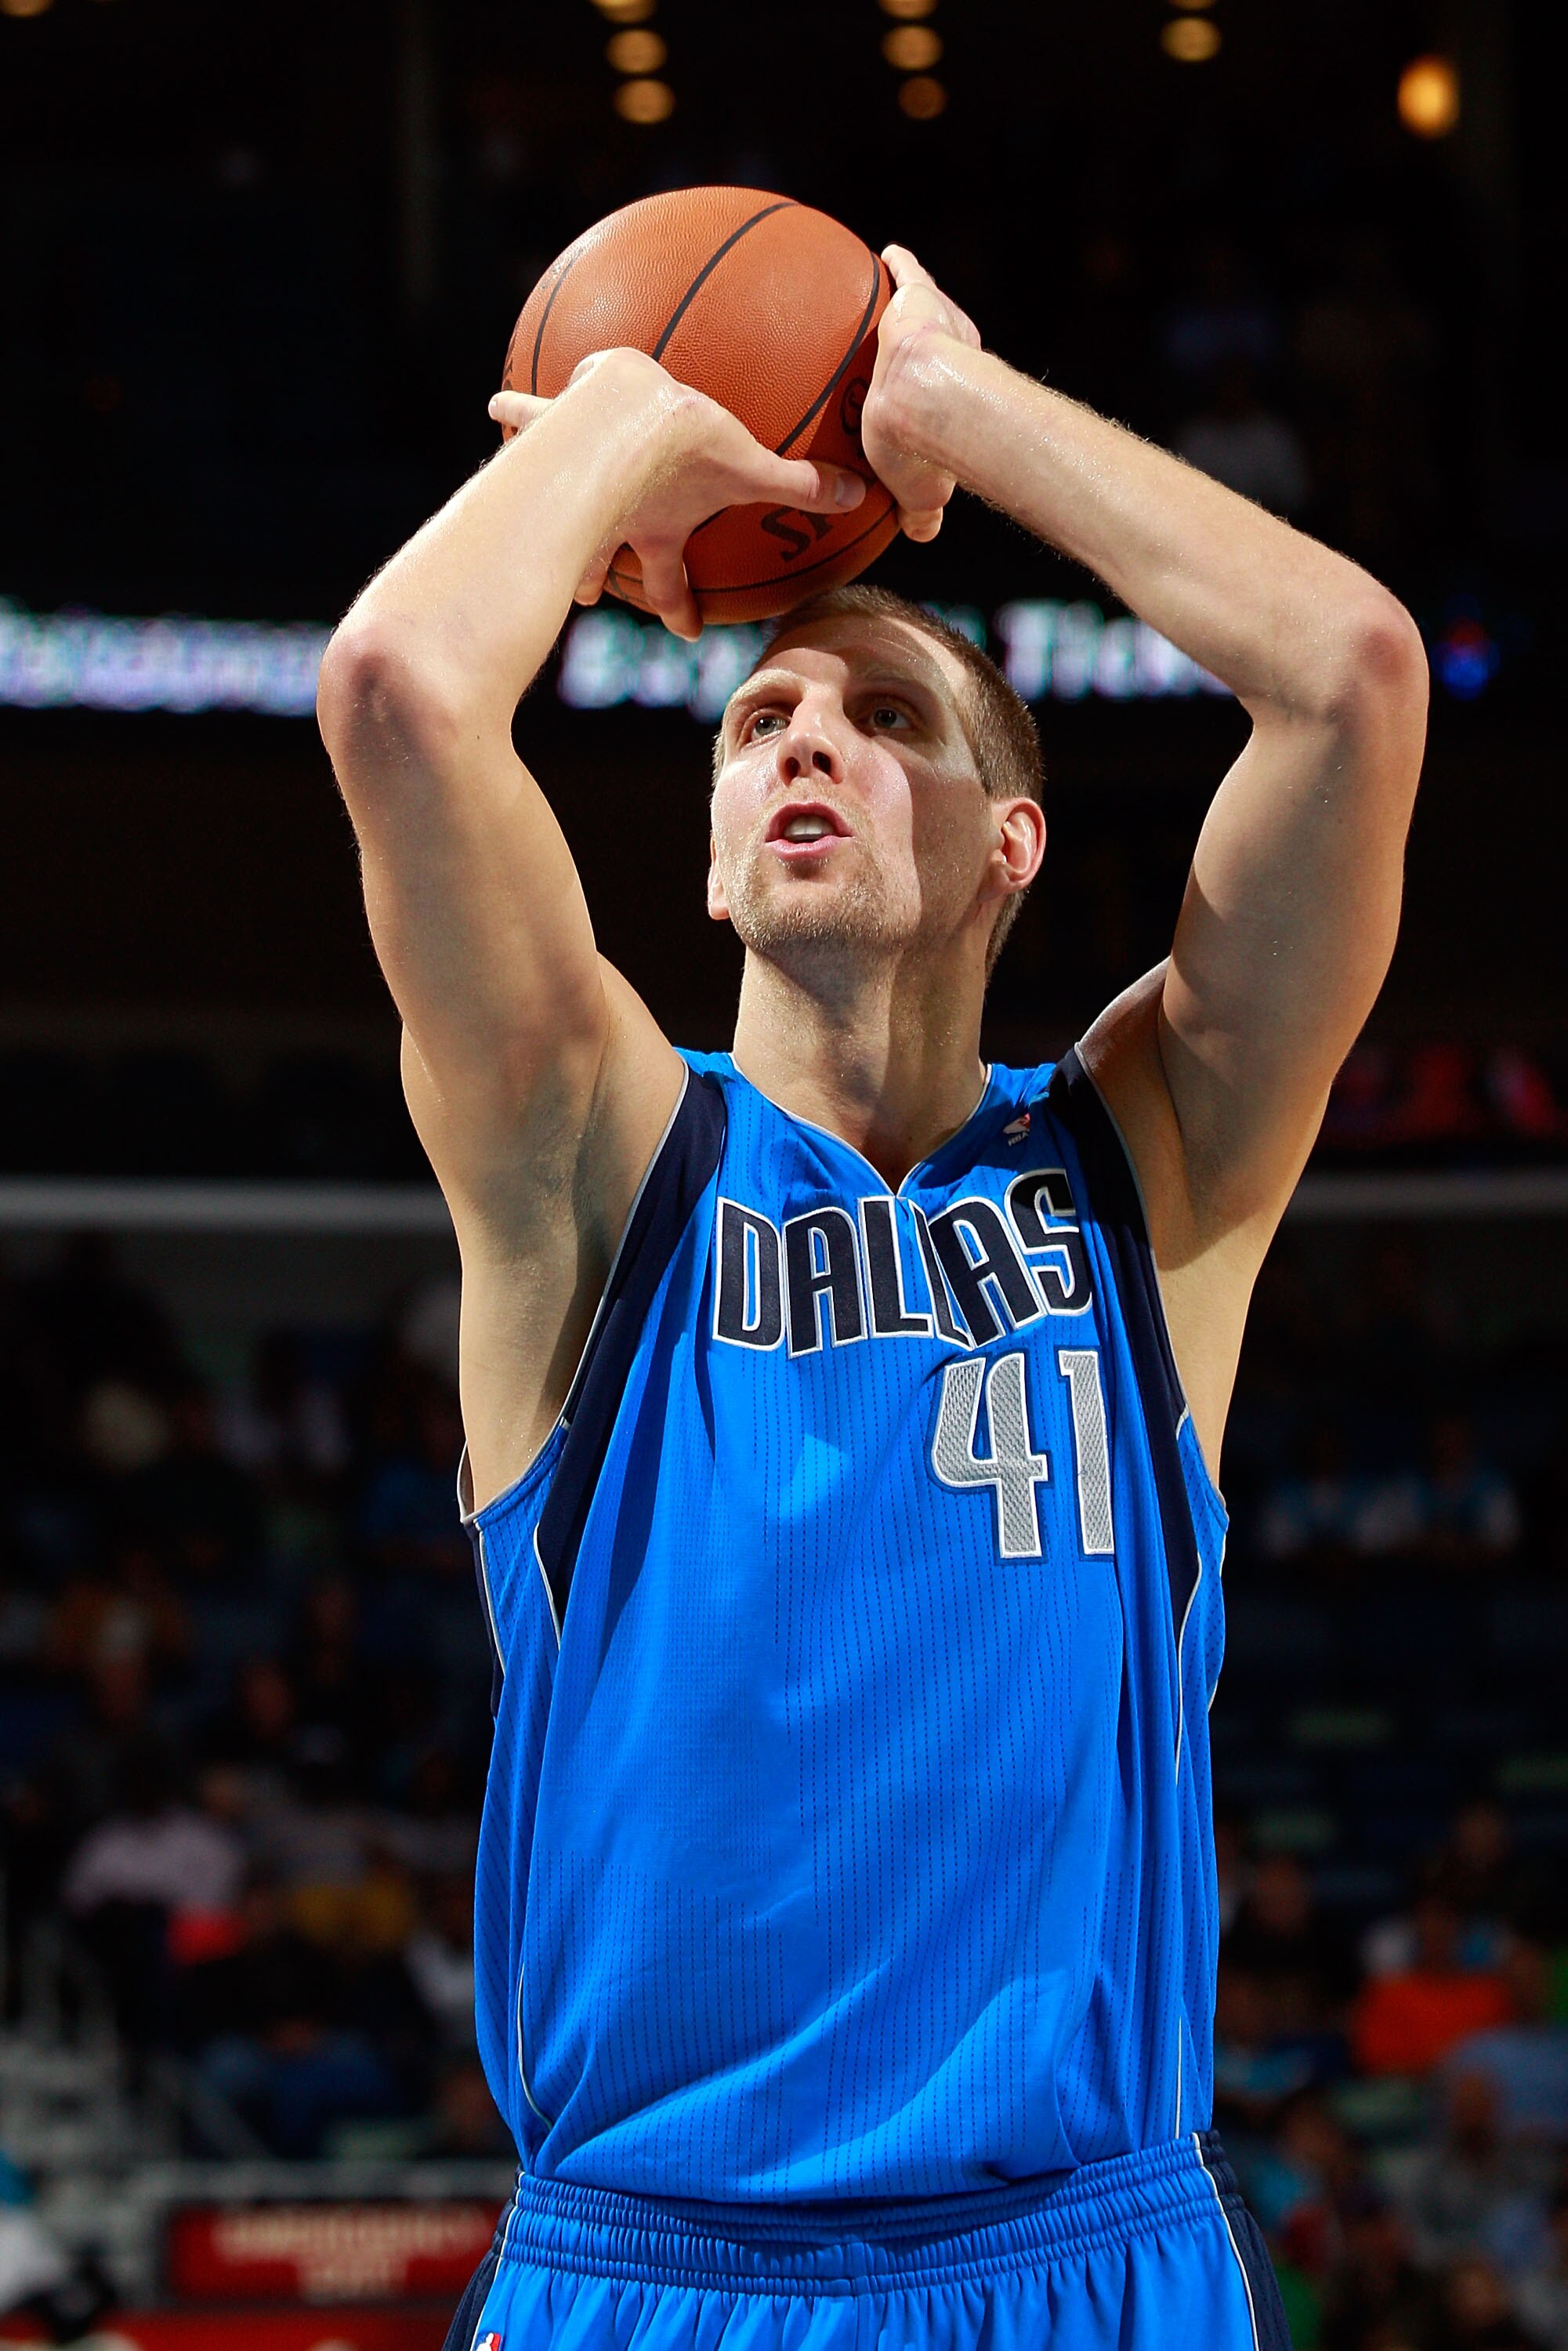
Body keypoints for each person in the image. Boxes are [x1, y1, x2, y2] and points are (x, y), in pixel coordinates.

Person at [317, 241, 1427, 2351]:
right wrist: (633, 417)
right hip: (654, 2271)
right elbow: (397, 692)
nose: (804, 739)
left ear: (1011, 843)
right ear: (717, 856)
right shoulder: (597, 1156)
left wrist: (949, 409)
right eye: (758, 718)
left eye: (884, 713)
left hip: (1080, 2262)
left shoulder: (1147, 1162)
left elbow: (1351, 678)